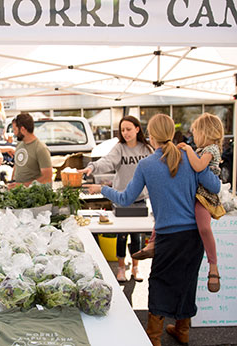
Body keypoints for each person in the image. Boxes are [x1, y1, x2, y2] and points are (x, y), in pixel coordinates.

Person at [86, 113, 220, 346]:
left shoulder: (146, 165)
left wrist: (102, 188)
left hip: (168, 237)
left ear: (150, 136)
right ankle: (183, 331)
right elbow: (215, 185)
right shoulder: (191, 158)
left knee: (159, 283)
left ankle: (154, 338)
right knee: (187, 282)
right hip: (192, 237)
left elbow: (126, 198)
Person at [133, 113, 224, 293]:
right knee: (162, 215)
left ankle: (213, 266)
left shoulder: (210, 150)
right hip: (194, 194)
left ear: (205, 132)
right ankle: (152, 243)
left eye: (195, 132)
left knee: (204, 228)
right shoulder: (200, 150)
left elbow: (199, 169)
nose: (193, 136)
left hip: (204, 198)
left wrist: (188, 150)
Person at [79, 115, 153, 282]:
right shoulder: (119, 148)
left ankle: (135, 267)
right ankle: (121, 268)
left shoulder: (146, 149)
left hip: (140, 199)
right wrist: (92, 167)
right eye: (122, 130)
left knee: (137, 236)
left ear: (137, 129)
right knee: (121, 235)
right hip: (121, 198)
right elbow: (107, 162)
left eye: (128, 129)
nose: (125, 133)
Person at [7, 113, 52, 188]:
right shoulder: (19, 144)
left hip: (33, 196)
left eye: (15, 129)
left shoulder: (41, 148)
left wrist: (22, 186)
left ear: (23, 129)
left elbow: (47, 177)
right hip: (18, 194)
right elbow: (17, 165)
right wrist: (13, 182)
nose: (14, 133)